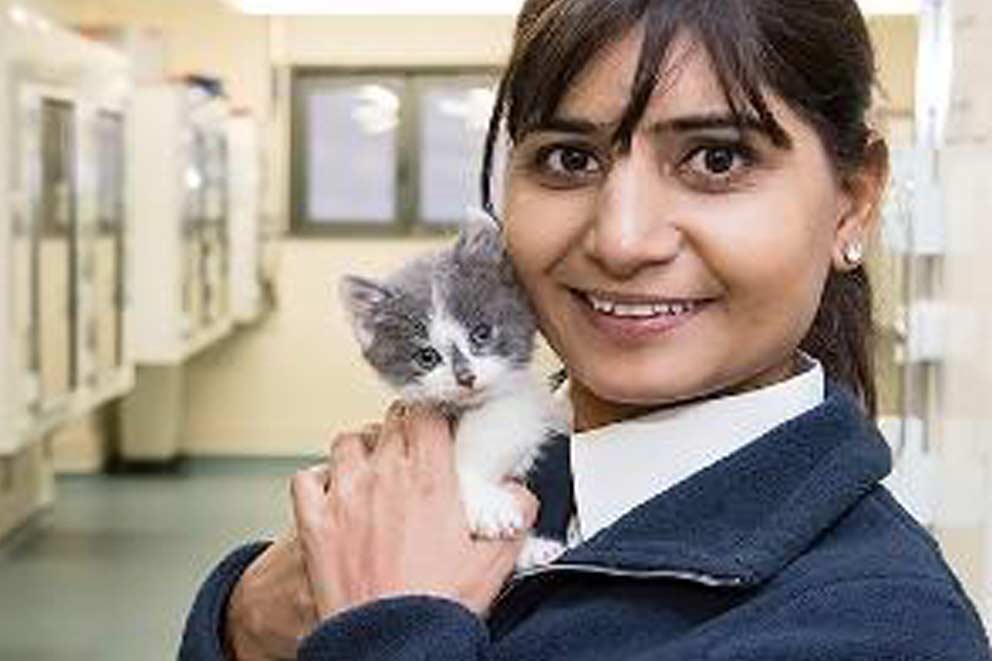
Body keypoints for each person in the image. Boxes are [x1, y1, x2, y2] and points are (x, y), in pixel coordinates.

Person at [180, 0, 992, 658]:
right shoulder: (522, 466)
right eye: (570, 159)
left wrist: (385, 627)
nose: (621, 238)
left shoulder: (882, 628)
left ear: (854, 199)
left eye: (716, 159)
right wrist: (246, 619)